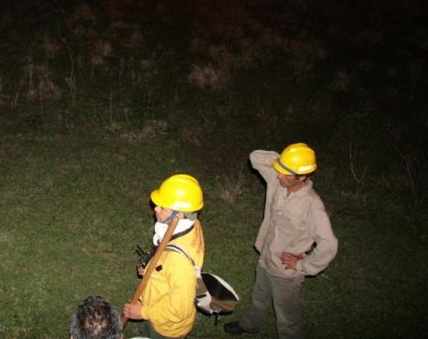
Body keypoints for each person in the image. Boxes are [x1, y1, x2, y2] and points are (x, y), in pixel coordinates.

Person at [224, 143, 338, 339]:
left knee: (287, 316)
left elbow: (329, 244)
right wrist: (283, 162)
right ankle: (250, 325)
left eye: (285, 173)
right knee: (258, 298)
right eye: (279, 170)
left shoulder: (312, 206)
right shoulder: (277, 181)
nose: (278, 175)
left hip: (286, 272)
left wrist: (304, 264)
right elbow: (255, 157)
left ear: (301, 177)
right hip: (265, 258)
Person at [123, 174, 205, 339]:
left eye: (163, 207)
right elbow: (164, 263)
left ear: (179, 215)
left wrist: (144, 312)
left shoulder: (179, 262)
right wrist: (149, 269)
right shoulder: (188, 226)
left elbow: (179, 310)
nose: (155, 209)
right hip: (157, 302)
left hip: (167, 328)